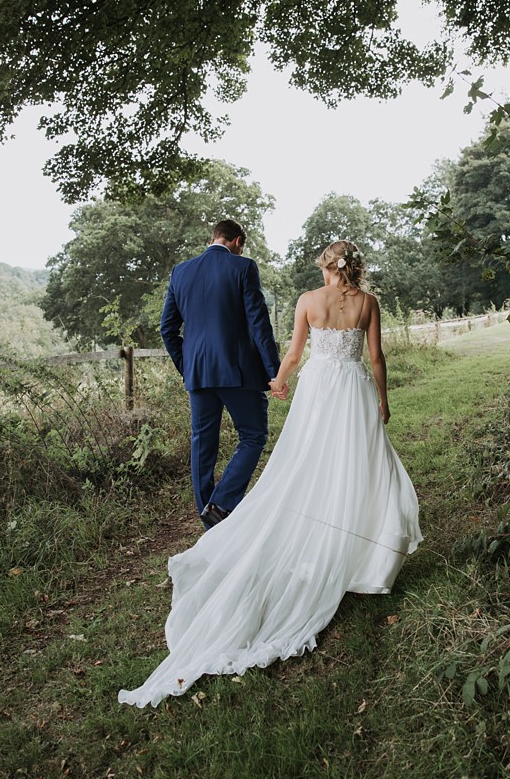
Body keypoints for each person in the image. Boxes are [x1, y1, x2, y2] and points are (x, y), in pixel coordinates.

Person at [119, 240, 422, 708]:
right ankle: (364, 559)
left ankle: (306, 537)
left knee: (309, 463)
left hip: (318, 391)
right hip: (355, 389)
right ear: (354, 268)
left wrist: (277, 382)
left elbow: (295, 354)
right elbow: (376, 358)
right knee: (358, 464)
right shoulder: (368, 303)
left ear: (327, 267)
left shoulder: (307, 301)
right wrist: (383, 400)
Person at [159, 219, 282, 530]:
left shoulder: (181, 271)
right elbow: (259, 323)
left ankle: (209, 518)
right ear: (237, 241)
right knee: (253, 435)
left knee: (202, 443)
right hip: (237, 371)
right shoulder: (243, 267)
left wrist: (188, 366)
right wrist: (274, 372)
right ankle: (223, 503)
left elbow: (167, 329)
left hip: (198, 373)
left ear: (213, 237)